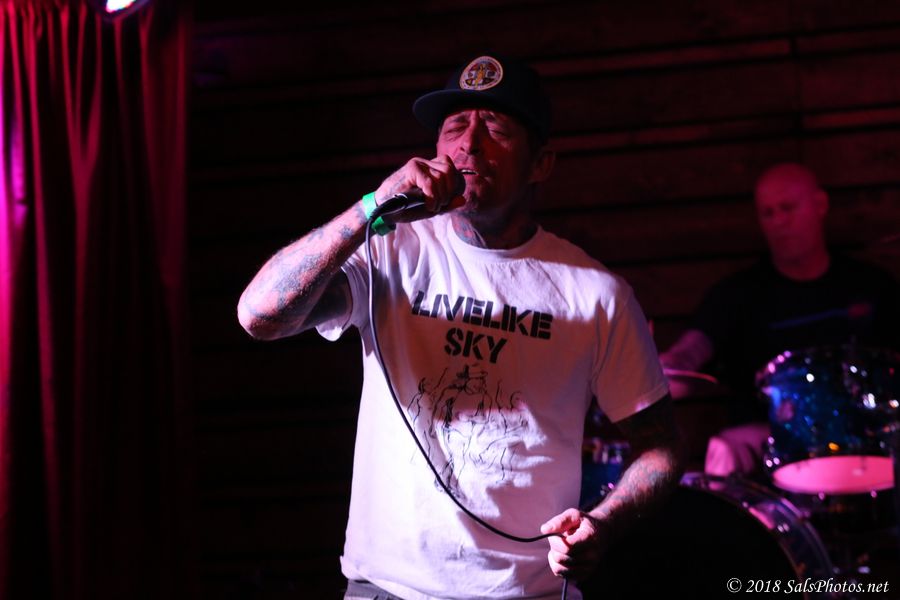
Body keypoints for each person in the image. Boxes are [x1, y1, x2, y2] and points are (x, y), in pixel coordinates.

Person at [237, 54, 683, 600]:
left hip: (525, 592)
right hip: (386, 589)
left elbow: (660, 447)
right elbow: (259, 315)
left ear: (541, 164)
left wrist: (603, 523)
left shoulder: (595, 293)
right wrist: (371, 206)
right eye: (454, 128)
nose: (469, 144)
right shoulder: (390, 251)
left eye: (496, 129)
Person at [660, 162, 900, 477]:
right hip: (768, 446)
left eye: (787, 208)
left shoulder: (871, 285)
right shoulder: (737, 294)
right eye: (768, 213)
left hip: (864, 443)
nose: (778, 222)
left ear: (820, 205)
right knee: (726, 449)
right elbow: (693, 348)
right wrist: (671, 365)